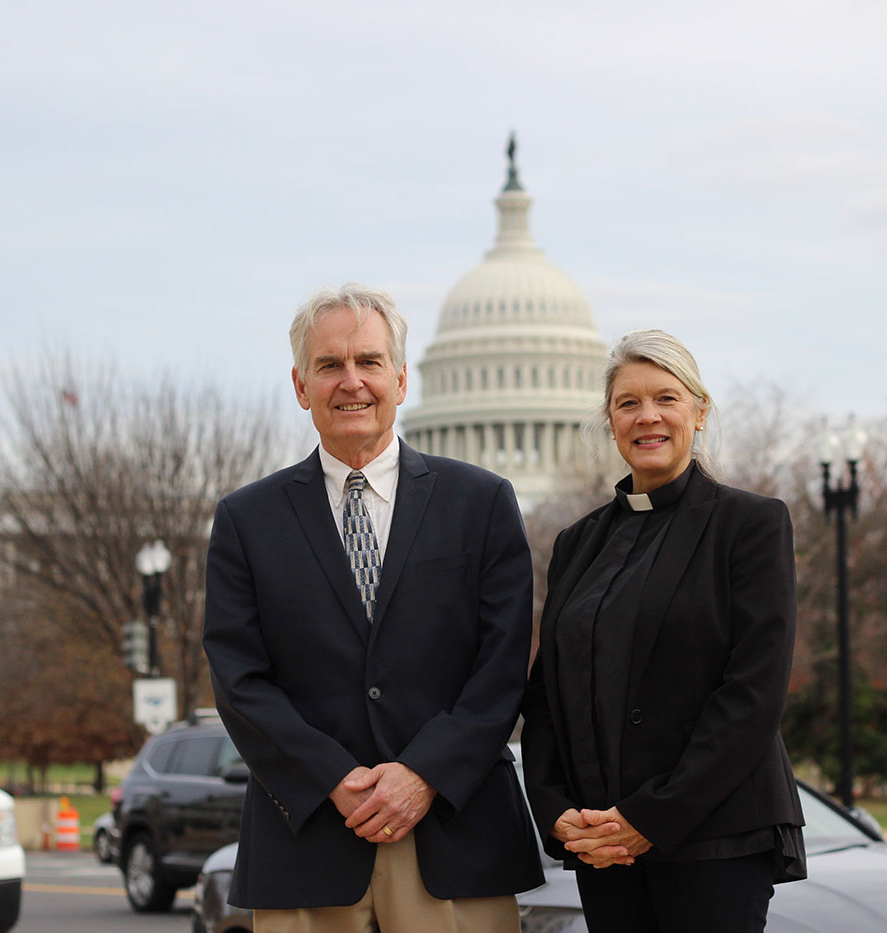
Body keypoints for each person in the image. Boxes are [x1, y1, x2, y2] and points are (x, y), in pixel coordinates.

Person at [203, 284, 542, 933]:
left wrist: (423, 773)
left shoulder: (482, 503)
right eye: (329, 364)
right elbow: (239, 679)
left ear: (401, 378)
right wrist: (333, 777)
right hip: (307, 839)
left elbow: (501, 667)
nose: (350, 381)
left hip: (454, 833)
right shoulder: (247, 521)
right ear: (302, 385)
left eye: (369, 361)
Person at [521, 329, 806, 933]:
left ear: (698, 412)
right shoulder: (576, 544)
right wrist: (556, 812)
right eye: (628, 403)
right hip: (604, 846)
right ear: (610, 420)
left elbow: (752, 696)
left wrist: (650, 817)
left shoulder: (750, 525)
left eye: (666, 399)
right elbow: (548, 696)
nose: (647, 416)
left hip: (714, 841)